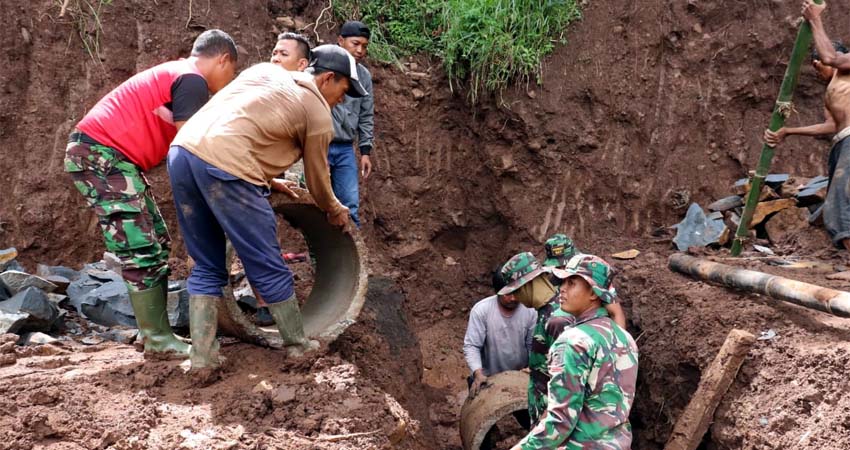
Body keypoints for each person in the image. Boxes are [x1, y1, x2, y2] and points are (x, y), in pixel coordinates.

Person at [168, 45, 367, 370]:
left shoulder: (265, 73)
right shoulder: (317, 112)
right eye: (344, 90)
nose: (343, 100)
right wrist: (335, 209)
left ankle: (202, 360)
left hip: (182, 153)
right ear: (329, 78)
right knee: (266, 260)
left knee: (206, 264)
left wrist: (270, 179)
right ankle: (299, 346)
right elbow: (317, 182)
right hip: (227, 166)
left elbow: (239, 124)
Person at [64, 30, 237, 358]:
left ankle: (155, 334)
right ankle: (158, 339)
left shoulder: (176, 75)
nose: (229, 81)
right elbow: (193, 147)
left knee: (157, 241)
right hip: (101, 155)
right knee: (141, 248)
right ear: (223, 59)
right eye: (232, 72)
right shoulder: (191, 79)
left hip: (115, 160)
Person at [512, 254, 638, 449]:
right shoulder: (624, 338)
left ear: (593, 293)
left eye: (571, 283)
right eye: (562, 282)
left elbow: (560, 422)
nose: (562, 288)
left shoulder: (573, 342)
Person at [764, 0, 850, 250]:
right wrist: (789, 131)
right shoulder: (834, 91)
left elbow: (829, 56)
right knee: (839, 204)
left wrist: (815, 18)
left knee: (841, 201)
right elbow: (831, 126)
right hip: (842, 142)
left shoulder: (845, 65)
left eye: (817, 66)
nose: (817, 69)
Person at [463, 269, 537, 399]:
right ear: (497, 292)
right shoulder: (481, 310)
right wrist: (478, 373)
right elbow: (472, 346)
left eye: (516, 292)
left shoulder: (530, 310)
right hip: (488, 378)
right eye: (507, 294)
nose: (513, 298)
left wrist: (532, 367)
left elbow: (533, 344)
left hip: (519, 376)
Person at [329, 20, 375, 228]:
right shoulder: (324, 68)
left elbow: (366, 114)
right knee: (313, 205)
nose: (360, 50)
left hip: (346, 148)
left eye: (364, 46)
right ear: (340, 41)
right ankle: (318, 256)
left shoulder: (363, 76)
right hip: (319, 145)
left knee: (350, 206)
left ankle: (354, 260)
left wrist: (365, 150)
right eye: (355, 43)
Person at [542, 233, 627, 329]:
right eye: (557, 266)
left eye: (565, 264)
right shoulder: (551, 279)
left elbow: (616, 313)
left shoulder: (591, 273)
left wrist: (620, 340)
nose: (562, 269)